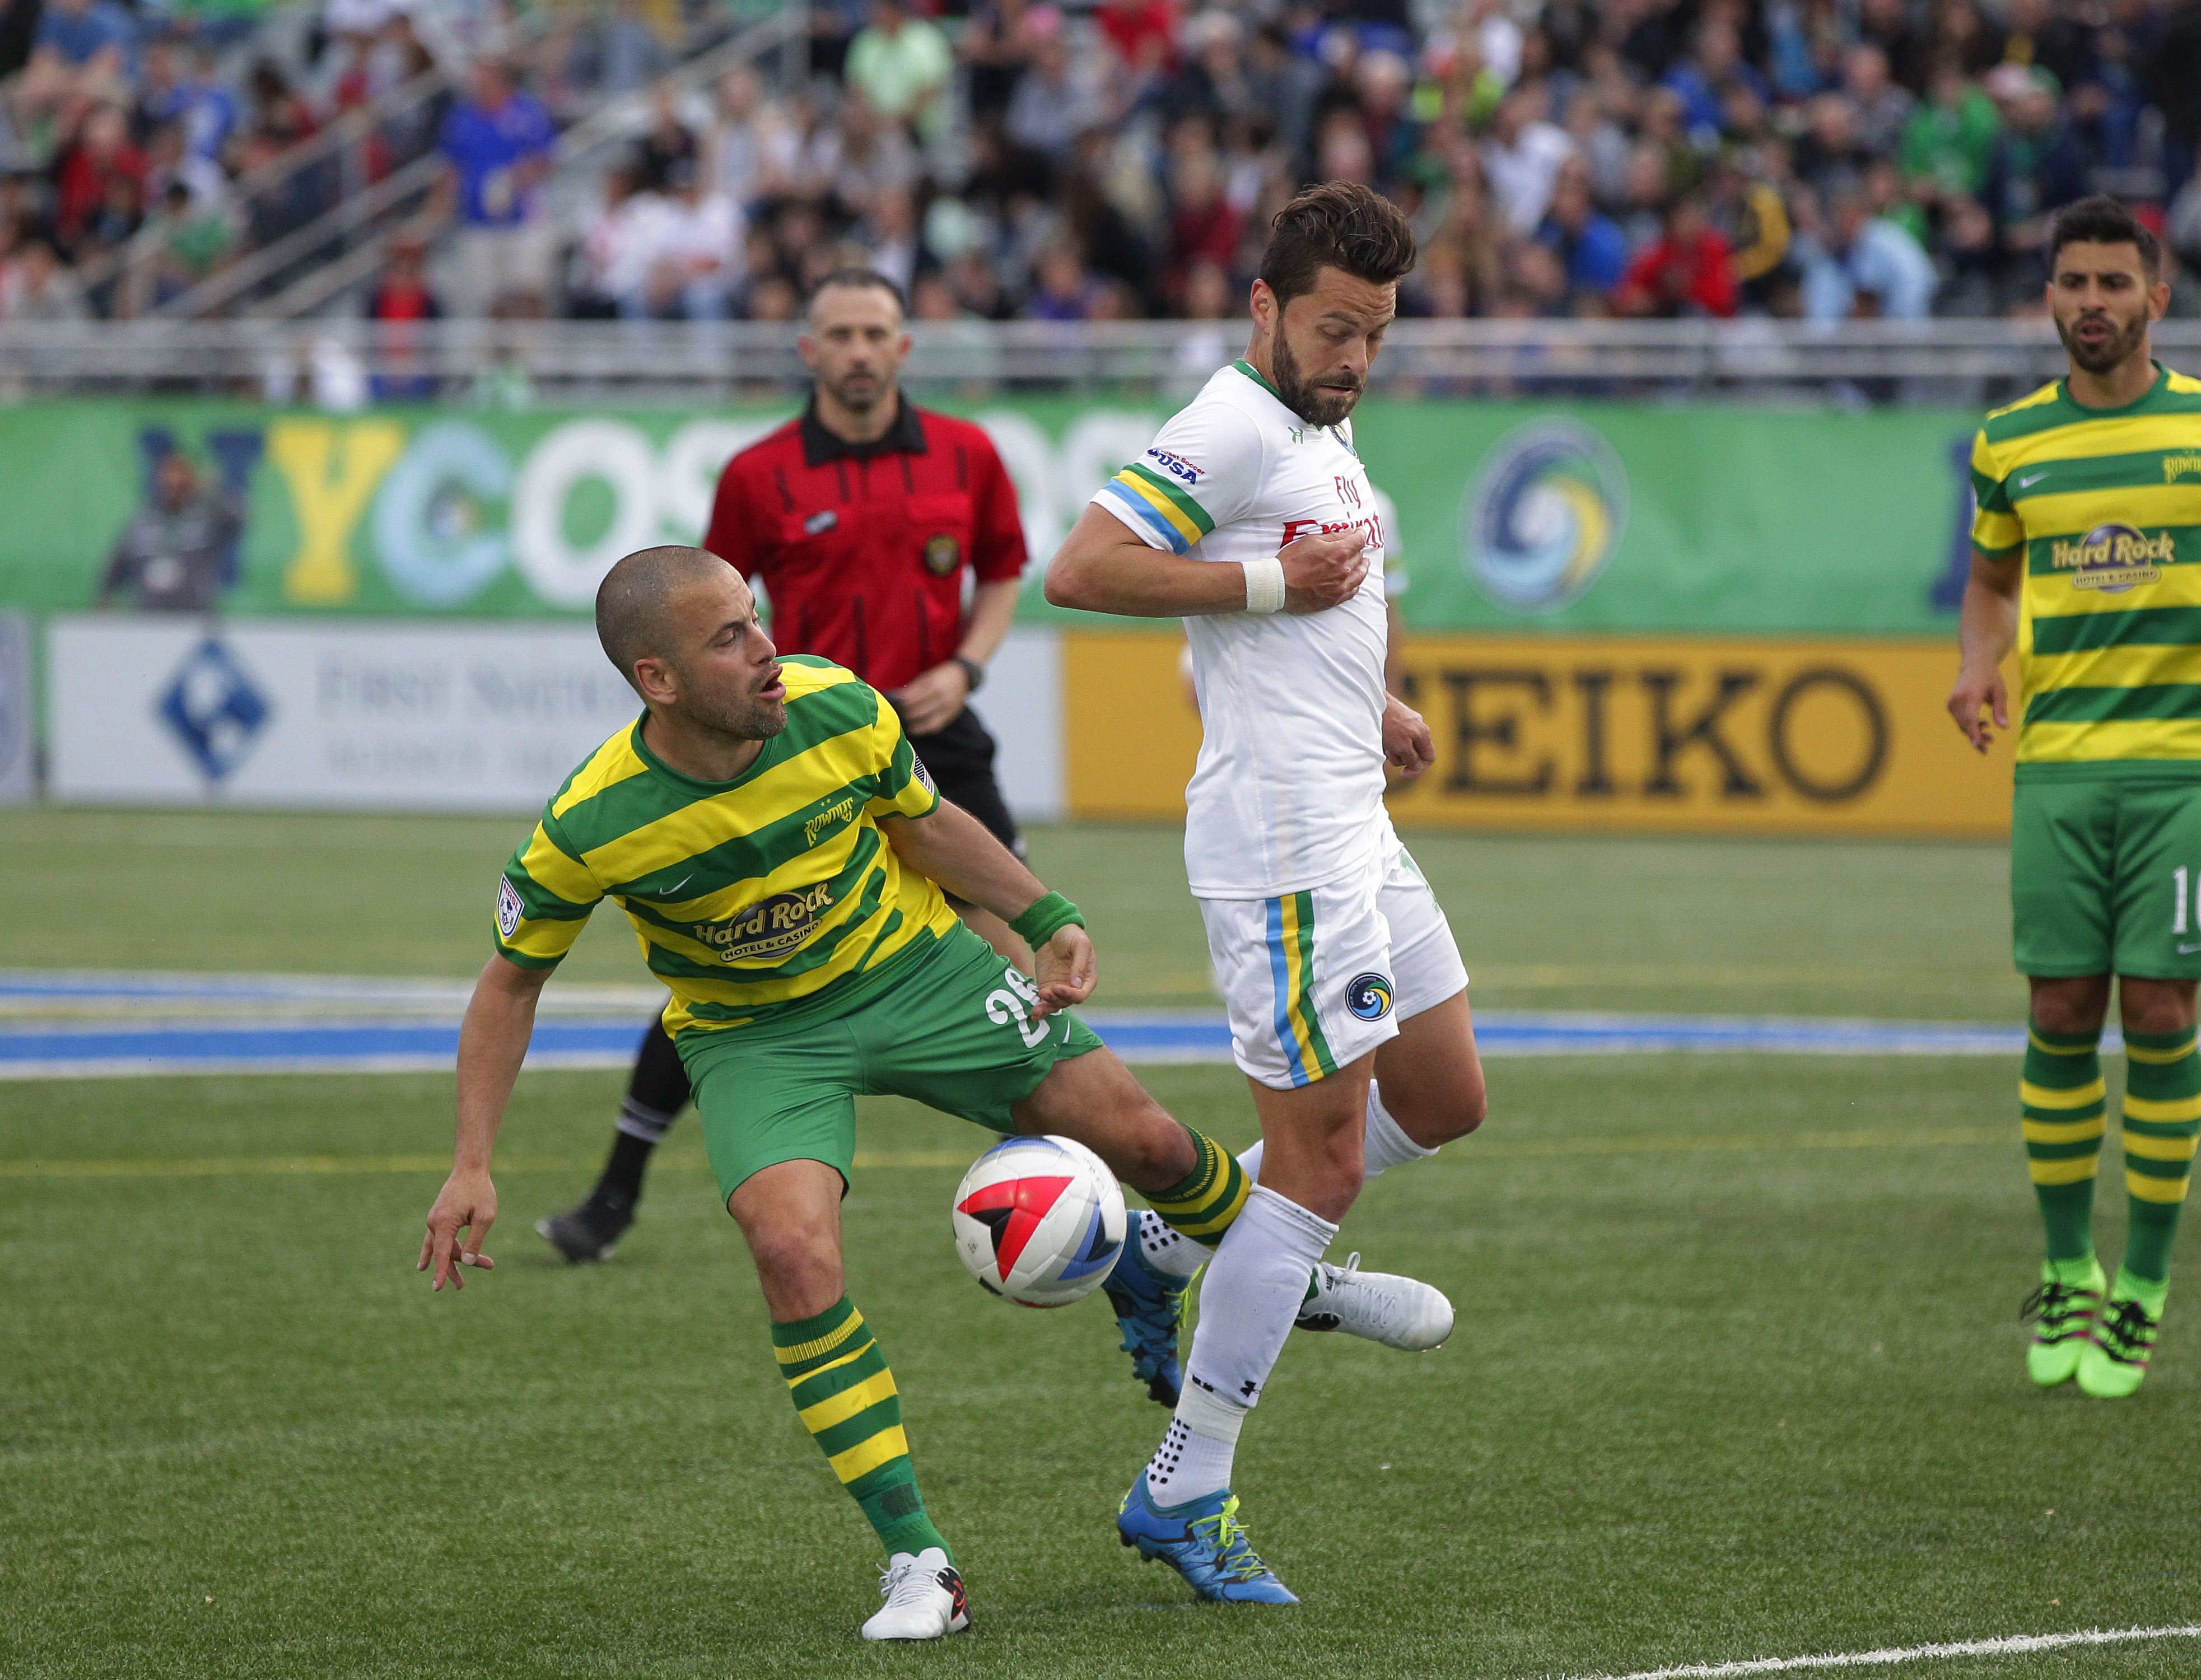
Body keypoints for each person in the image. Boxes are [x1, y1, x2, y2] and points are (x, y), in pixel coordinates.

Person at [419, 546, 1442, 1635]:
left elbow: (924, 822)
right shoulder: (593, 821)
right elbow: (509, 984)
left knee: (1147, 1142)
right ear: (656, 679)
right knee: (789, 1249)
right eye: (727, 638)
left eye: (754, 619)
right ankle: (920, 1566)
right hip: (758, 1038)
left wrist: (1047, 919)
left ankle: (1286, 1280)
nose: (765, 649)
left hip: (919, 972)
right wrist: (473, 1161)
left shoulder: (833, 707)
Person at [1045, 182, 1487, 1602]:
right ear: (1265, 311)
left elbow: (1326, 593)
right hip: (1284, 848)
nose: (1354, 355)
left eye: (1375, 332)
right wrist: (1262, 592)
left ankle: (1170, 1242)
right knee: (1324, 1165)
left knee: (1444, 1096)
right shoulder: (1232, 421)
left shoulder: (1324, 427)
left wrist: (1378, 702)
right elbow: (1084, 567)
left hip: (1352, 818)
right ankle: (1188, 1479)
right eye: (1332, 327)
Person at [534, 269, 1033, 1264]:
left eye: (876, 331)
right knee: (728, 969)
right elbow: (701, 607)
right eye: (839, 332)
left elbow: (1006, 568)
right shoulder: (758, 474)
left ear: (904, 349)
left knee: (1020, 944)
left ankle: (1066, 1187)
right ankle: (615, 1194)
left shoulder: (969, 455)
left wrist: (966, 667)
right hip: (793, 750)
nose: (857, 349)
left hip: (933, 734)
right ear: (807, 352)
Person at [1948, 195, 2201, 1401]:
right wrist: (1976, 660)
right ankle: (2068, 1270)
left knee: (2157, 1013)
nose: (2091, 304)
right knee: (2059, 1010)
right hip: (2061, 766)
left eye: (2115, 283)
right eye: (2072, 284)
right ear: (2047, 298)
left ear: (2159, 296)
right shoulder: (2013, 441)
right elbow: (1991, 583)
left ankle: (2144, 1281)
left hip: (2183, 773)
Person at [436, 57, 557, 318]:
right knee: (491, 297)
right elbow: (452, 167)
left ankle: (529, 351)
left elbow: (546, 158)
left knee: (528, 288)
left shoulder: (526, 113)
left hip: (524, 218)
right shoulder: (462, 118)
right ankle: (497, 355)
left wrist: (512, 181)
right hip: (478, 219)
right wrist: (439, 210)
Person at [96, 448, 240, 613]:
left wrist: (210, 492)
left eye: (180, 473)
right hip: (149, 622)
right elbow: (115, 566)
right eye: (169, 473)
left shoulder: (207, 519)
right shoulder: (141, 523)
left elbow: (239, 519)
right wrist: (104, 598)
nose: (174, 480)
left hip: (195, 621)